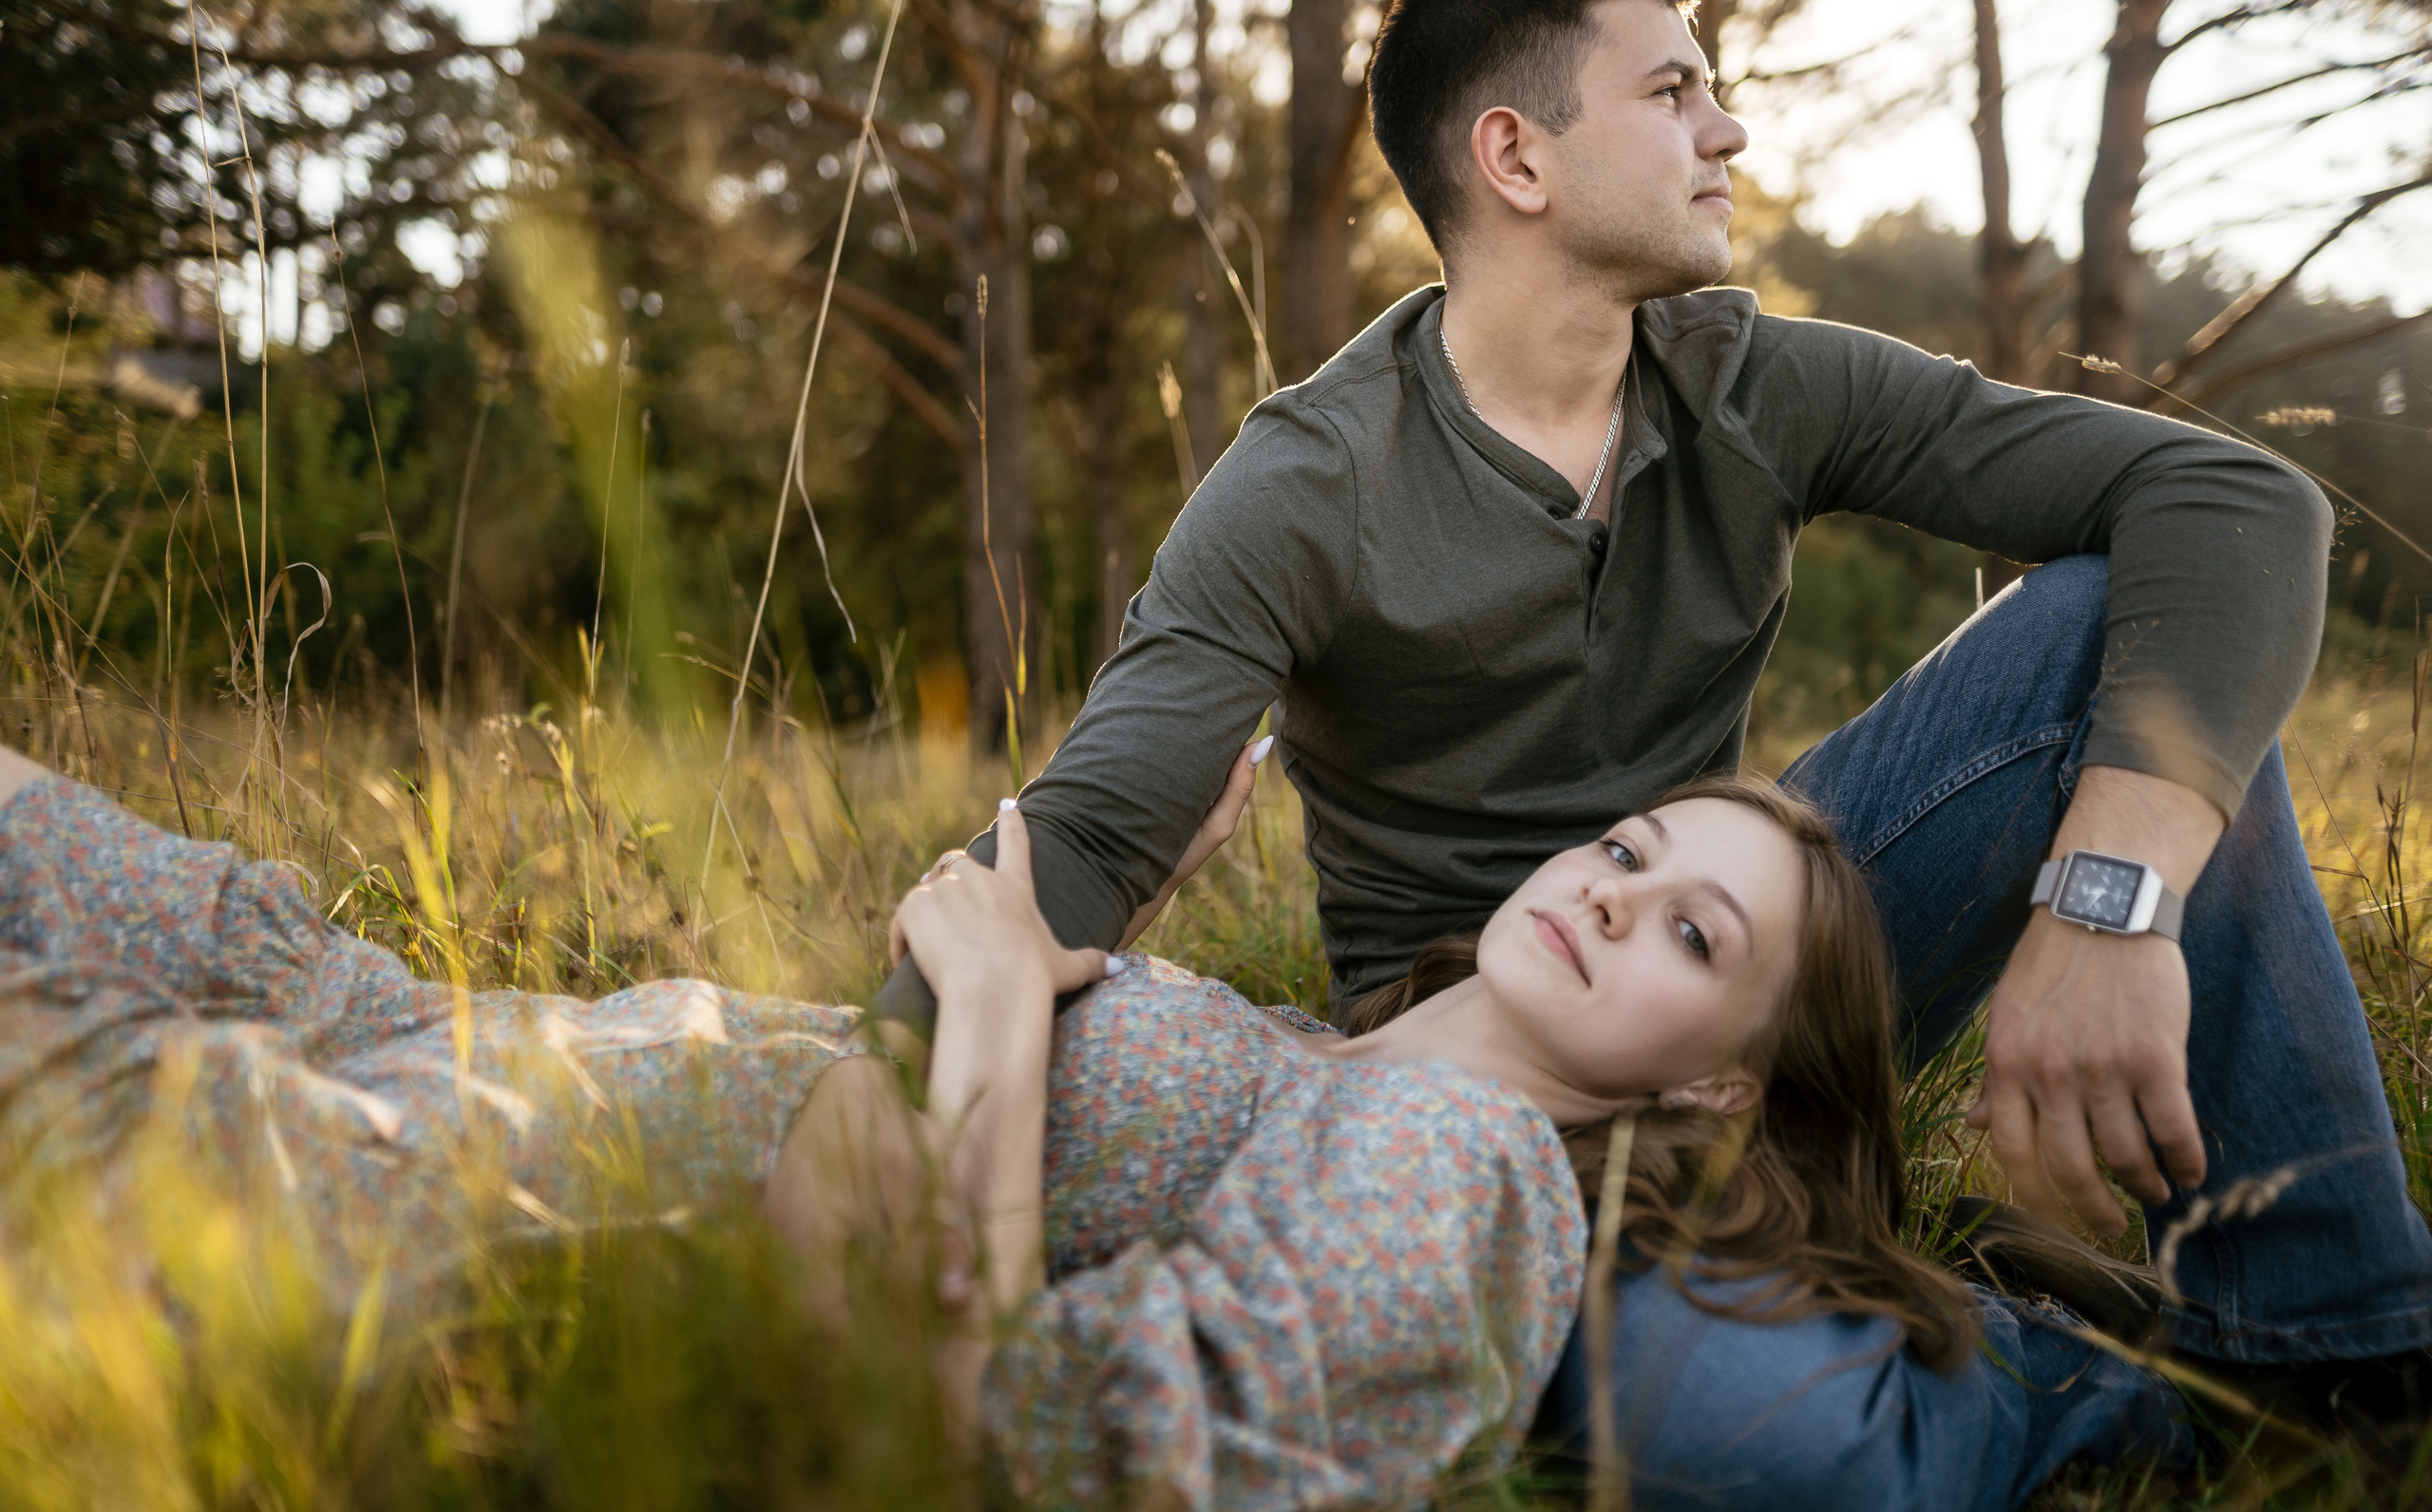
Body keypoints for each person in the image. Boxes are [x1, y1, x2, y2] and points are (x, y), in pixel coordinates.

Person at [869, 0, 2432, 1503]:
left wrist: (2110, 904)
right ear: (1517, 159)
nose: (1727, 129)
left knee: (2118, 626)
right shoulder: (1308, 482)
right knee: (1754, 1434)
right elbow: (1082, 843)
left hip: (1725, 959)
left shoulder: (1755, 381)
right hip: (1493, 1088)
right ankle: (2052, 1368)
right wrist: (870, 1137)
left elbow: (2235, 505)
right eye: (1673, 92)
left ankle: (2330, 1359)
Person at [0, 741, 2117, 1505]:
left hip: (445, 1191)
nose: (1614, 892)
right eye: (1632, 846)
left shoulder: (1463, 1182)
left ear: (1715, 1079)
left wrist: (1002, 1011)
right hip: (425, 1017)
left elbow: (994, 1447)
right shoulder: (1353, 1069)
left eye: (1692, 933)